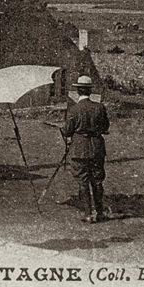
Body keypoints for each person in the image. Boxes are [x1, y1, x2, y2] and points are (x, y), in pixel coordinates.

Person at [61, 75, 110, 223]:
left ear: (77, 91)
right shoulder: (99, 107)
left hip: (79, 149)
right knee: (97, 180)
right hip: (96, 147)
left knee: (83, 181)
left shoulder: (74, 109)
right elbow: (106, 127)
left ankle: (88, 214)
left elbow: (67, 130)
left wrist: (65, 130)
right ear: (90, 91)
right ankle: (100, 212)